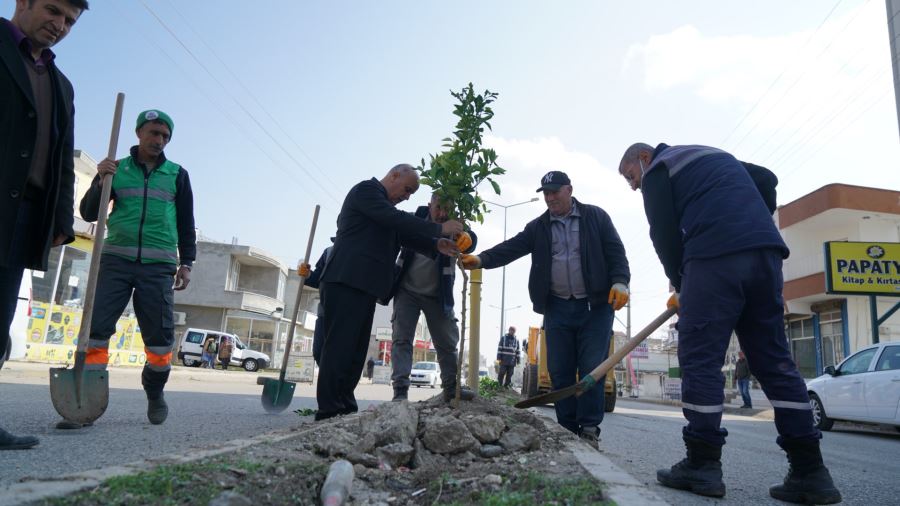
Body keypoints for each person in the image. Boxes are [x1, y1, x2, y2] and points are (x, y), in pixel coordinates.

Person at [618, 143, 840, 504]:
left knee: (700, 357)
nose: (633, 186)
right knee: (775, 362)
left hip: (715, 254)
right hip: (765, 254)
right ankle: (811, 472)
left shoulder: (659, 168)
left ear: (644, 159)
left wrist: (682, 279)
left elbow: (663, 234)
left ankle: (702, 465)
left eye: (630, 177)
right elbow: (767, 179)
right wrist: (749, 221)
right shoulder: (710, 158)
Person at [461, 171, 630, 448]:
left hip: (595, 308)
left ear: (569, 190)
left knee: (592, 368)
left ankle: (588, 429)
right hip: (558, 308)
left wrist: (621, 282)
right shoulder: (539, 227)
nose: (550, 198)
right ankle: (567, 429)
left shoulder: (595, 217)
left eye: (554, 192)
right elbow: (511, 248)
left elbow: (616, 252)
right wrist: (480, 259)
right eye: (546, 193)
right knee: (560, 371)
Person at [0, 0, 89, 449]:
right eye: (53, 10)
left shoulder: (62, 86)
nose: (60, 25)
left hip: (23, 216)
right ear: (23, 3)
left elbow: (63, 162)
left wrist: (59, 219)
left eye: (70, 21)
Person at [309, 164, 462, 421]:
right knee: (339, 346)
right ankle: (329, 408)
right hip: (346, 280)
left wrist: (437, 245)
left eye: (412, 193)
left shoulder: (386, 210)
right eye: (407, 189)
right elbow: (396, 221)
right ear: (394, 176)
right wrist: (438, 229)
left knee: (356, 350)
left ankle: (345, 403)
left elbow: (404, 235)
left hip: (366, 287)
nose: (408, 196)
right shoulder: (366, 192)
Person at [79, 109, 196, 426]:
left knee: (160, 343)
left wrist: (187, 262)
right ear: (139, 133)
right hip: (116, 261)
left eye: (165, 136)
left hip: (158, 266)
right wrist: (99, 180)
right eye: (154, 133)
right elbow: (90, 213)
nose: (159, 140)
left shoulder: (177, 174)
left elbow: (187, 223)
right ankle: (86, 400)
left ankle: (155, 392)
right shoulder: (115, 169)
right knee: (95, 333)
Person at [381, 192, 478, 402]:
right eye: (438, 207)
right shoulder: (414, 220)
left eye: (447, 209)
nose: (442, 214)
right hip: (407, 290)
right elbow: (394, 231)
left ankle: (452, 389)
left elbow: (471, 242)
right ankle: (400, 392)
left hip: (438, 295)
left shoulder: (456, 227)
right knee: (401, 339)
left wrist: (467, 238)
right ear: (429, 205)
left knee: (446, 342)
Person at [299, 241, 333, 366]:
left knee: (340, 356)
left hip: (349, 315)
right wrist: (307, 275)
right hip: (325, 312)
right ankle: (326, 382)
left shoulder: (361, 250)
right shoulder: (329, 252)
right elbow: (317, 279)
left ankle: (334, 384)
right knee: (319, 352)